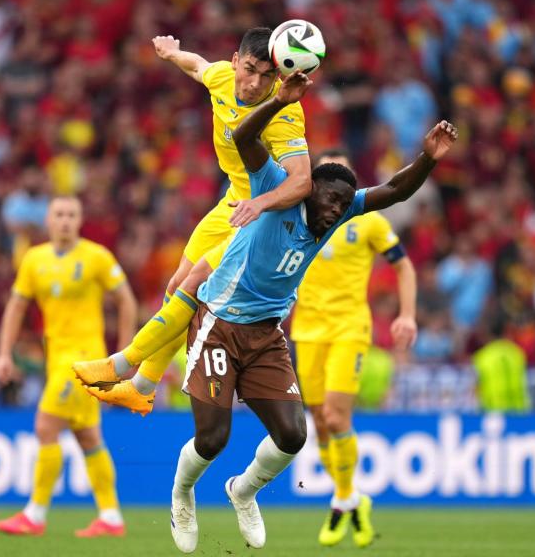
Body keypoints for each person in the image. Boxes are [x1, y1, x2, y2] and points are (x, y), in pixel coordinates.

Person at [75, 71, 458, 553]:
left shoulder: (337, 214)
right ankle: (182, 492)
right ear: (309, 189)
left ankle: (243, 490)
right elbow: (244, 136)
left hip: (267, 334)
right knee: (212, 439)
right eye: (329, 199)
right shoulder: (278, 185)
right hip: (218, 324)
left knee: (294, 435)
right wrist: (279, 100)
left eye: (342, 205)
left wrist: (426, 158)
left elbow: (396, 191)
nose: (333, 211)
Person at [101, 29, 312, 413]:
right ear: (235, 61)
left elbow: (302, 181)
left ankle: (126, 366)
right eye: (249, 70)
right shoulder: (221, 77)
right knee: (175, 284)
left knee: (194, 283)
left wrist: (261, 204)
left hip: (264, 215)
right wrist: (171, 53)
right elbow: (198, 66)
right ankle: (143, 386)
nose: (255, 83)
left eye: (267, 76)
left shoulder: (285, 113)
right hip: (233, 202)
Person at [290, 148, 418, 547]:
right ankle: (353, 497)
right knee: (320, 422)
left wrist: (407, 314)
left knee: (335, 413)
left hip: (349, 328)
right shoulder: (300, 216)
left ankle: (343, 497)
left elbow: (403, 265)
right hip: (307, 330)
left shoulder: (368, 222)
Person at [0, 196, 138, 538]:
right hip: (56, 358)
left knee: (46, 426)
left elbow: (126, 300)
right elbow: (15, 307)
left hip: (85, 359)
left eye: (72, 214)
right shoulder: (34, 259)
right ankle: (111, 517)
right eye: (58, 214)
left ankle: (35, 514)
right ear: (48, 219)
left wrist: (127, 354)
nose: (65, 221)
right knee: (88, 437)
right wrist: (3, 354)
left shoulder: (96, 257)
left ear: (80, 219)